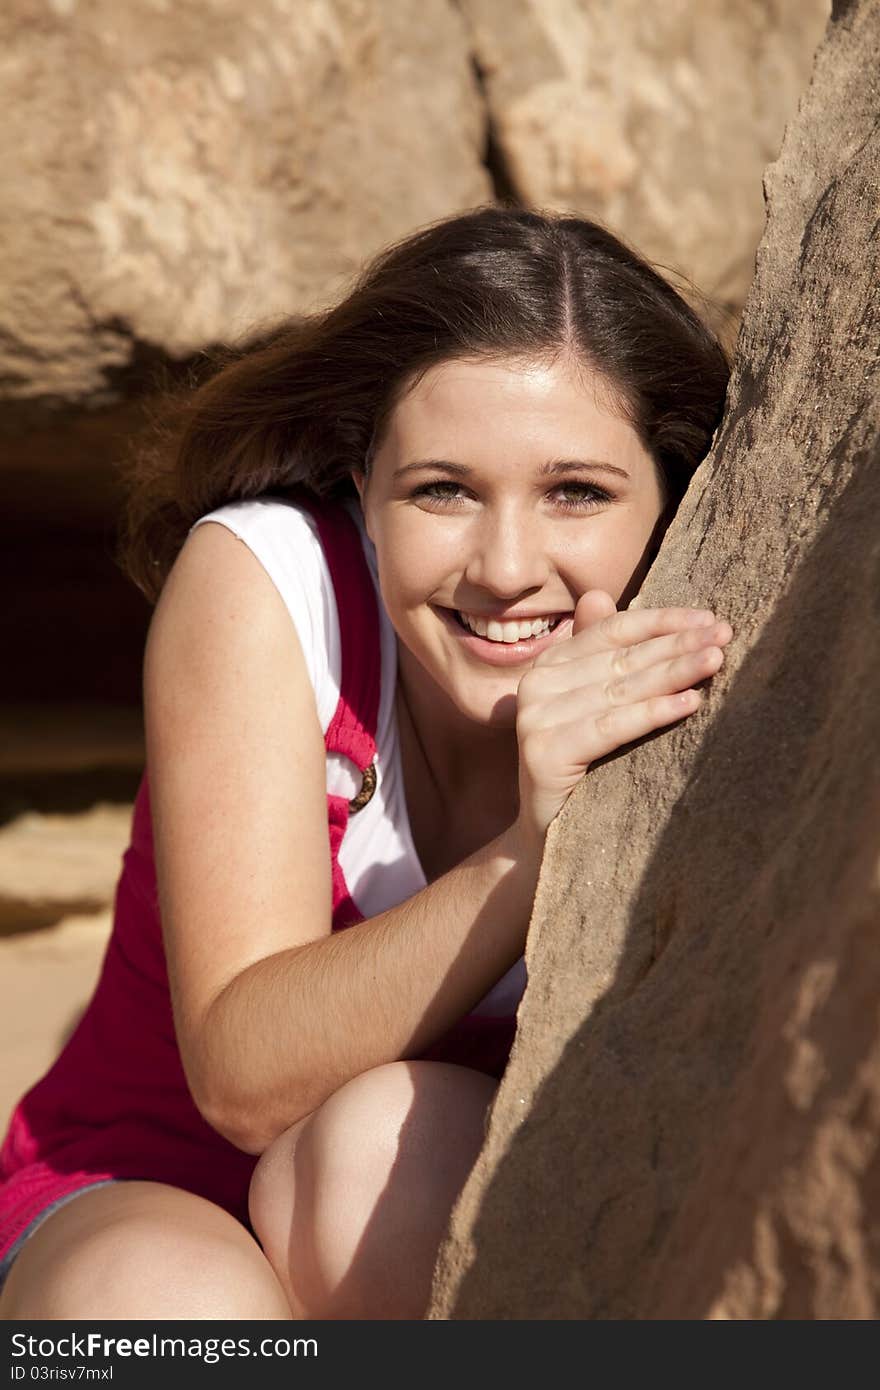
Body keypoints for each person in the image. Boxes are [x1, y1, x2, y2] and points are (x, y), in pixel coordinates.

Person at [0, 206, 733, 1320]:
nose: (504, 566)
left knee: (377, 1154)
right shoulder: (273, 584)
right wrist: (526, 850)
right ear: (360, 485)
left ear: (671, 499)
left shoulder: (712, 648)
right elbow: (243, 1080)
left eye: (575, 491)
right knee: (167, 1308)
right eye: (442, 489)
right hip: (151, 1177)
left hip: (449, 1194)